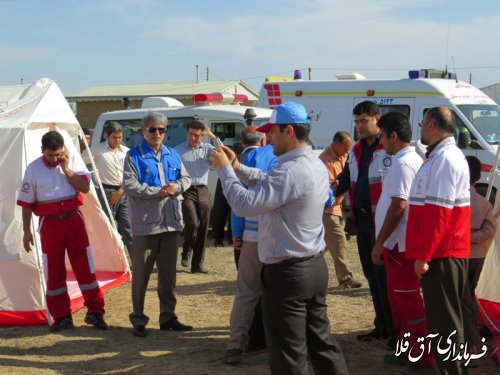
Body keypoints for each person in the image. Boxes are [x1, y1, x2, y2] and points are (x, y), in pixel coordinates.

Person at [210, 102, 348, 375]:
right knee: (321, 344)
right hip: (312, 267)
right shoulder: (312, 163)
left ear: (288, 131)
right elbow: (270, 181)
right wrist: (238, 167)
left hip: (288, 274)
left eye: (272, 131)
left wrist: (225, 171)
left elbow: (244, 204)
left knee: (289, 356)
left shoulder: (290, 170)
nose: (268, 137)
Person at [17, 131, 107, 332]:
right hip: (49, 225)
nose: (55, 159)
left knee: (85, 267)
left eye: (58, 155)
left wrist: (66, 169)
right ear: (42, 151)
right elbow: (26, 203)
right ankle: (62, 316)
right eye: (50, 155)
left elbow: (84, 188)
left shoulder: (72, 161)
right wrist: (26, 231)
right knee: (54, 271)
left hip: (74, 220)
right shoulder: (33, 169)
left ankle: (95, 312)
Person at [406, 107, 471, 374]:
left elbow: (438, 214)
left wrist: (424, 255)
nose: (420, 128)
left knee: (445, 325)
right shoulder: (440, 156)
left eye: (422, 123)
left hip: (442, 254)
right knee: (445, 323)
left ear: (432, 125)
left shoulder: (445, 159)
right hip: (442, 253)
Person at [370, 112, 434, 368]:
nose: (381, 142)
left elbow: (399, 206)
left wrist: (379, 242)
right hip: (397, 245)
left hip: (401, 246)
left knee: (407, 302)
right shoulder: (404, 160)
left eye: (382, 136)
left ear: (393, 136)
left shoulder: (403, 163)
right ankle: (408, 350)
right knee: (398, 301)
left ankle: (423, 357)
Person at [123, 112, 192, 338]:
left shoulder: (173, 154)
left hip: (170, 224)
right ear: (144, 131)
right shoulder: (133, 156)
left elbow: (186, 178)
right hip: (146, 226)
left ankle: (168, 317)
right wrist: (157, 192)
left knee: (168, 276)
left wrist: (176, 187)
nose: (157, 133)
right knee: (142, 275)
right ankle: (139, 319)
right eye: (152, 129)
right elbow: (130, 185)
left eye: (161, 129)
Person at [336, 101, 394, 345]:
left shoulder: (389, 148)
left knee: (385, 278)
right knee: (371, 275)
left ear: (376, 119)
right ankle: (381, 326)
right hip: (362, 223)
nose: (359, 126)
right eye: (356, 121)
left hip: (384, 225)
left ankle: (394, 331)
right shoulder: (357, 149)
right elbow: (346, 179)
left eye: (364, 121)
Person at [225, 126, 276, 365]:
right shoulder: (287, 160)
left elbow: (239, 200)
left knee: (246, 292)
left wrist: (237, 233)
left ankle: (236, 346)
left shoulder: (247, 159)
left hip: (253, 236)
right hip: (280, 240)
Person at [175, 120, 220, 274]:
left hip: (203, 189)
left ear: (202, 136)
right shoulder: (178, 150)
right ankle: (186, 251)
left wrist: (213, 137)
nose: (193, 138)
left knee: (203, 227)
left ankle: (197, 264)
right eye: (191, 134)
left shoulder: (207, 148)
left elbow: (223, 153)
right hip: (186, 190)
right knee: (192, 223)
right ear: (187, 133)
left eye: (197, 135)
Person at [461, 155, 496, 354]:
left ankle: (471, 345)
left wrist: (463, 236)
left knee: (464, 300)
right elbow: (490, 231)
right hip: (478, 255)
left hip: (460, 256)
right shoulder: (484, 203)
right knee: (468, 298)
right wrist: (472, 236)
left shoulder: (455, 201)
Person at [319, 131, 362, 289]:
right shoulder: (324, 161)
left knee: (322, 245)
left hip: (336, 207)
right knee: (339, 241)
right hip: (328, 208)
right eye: (345, 148)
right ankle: (345, 278)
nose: (347, 152)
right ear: (335, 144)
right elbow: (331, 186)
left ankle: (300, 266)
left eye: (348, 149)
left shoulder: (342, 155)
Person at [92, 121, 132, 253]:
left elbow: (131, 175)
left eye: (120, 137)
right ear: (107, 136)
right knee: (107, 227)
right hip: (105, 192)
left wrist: (120, 192)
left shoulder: (126, 152)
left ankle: (138, 265)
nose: (117, 140)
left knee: (128, 228)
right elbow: (79, 162)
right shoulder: (97, 150)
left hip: (123, 192)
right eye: (114, 137)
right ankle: (110, 260)